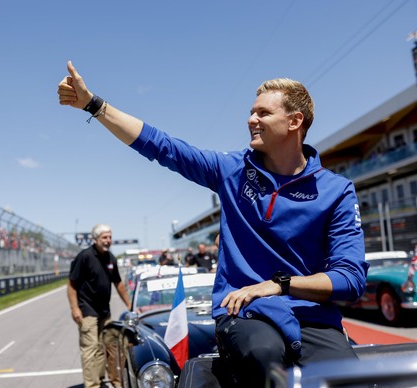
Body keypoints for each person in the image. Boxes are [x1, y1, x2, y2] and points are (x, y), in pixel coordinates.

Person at [58, 62, 369, 386]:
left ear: (295, 121)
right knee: (265, 361)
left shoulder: (337, 190)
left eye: (263, 113)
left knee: (349, 379)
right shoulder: (231, 170)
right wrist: (94, 104)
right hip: (247, 313)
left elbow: (350, 279)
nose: (251, 120)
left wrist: (280, 284)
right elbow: (161, 146)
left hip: (313, 319)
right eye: (251, 112)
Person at [67, 223, 131, 388]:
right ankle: (92, 385)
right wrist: (75, 308)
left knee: (106, 347)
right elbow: (71, 284)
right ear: (95, 239)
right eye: (104, 237)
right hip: (87, 310)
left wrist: (130, 305)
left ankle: (103, 380)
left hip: (104, 311)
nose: (108, 240)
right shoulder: (85, 256)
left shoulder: (111, 258)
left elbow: (118, 283)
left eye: (110, 237)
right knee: (90, 349)